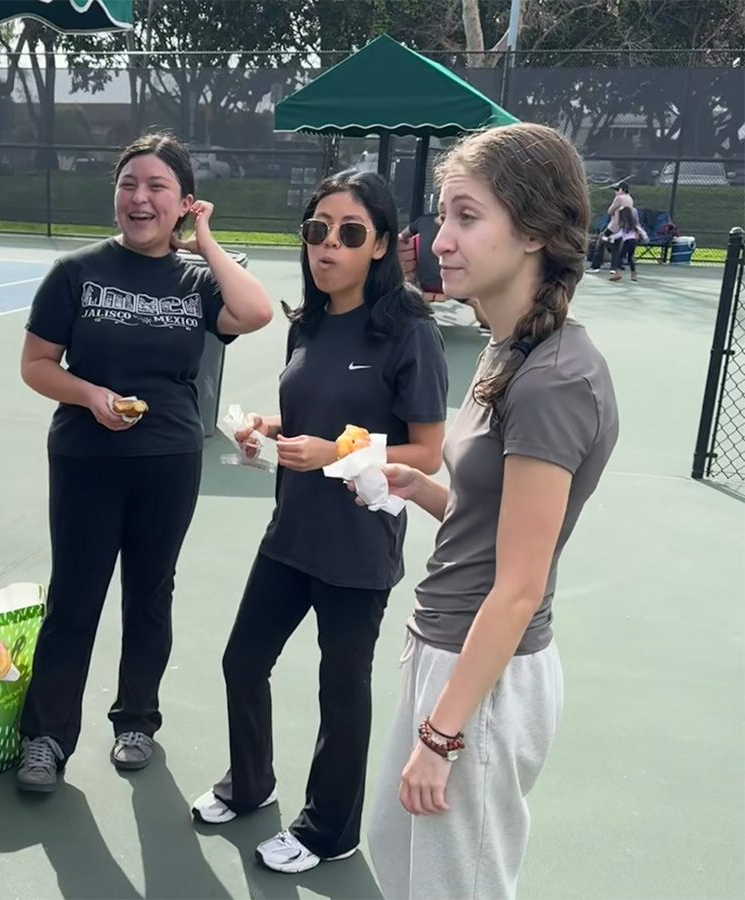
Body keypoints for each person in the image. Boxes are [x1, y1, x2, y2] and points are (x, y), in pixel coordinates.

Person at [365, 122, 619, 899]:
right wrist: (423, 490)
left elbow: (518, 587)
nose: (438, 239)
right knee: (396, 856)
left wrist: (442, 736)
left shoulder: (553, 380)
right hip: (445, 650)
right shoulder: (508, 350)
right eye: (443, 216)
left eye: (466, 217)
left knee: (457, 885)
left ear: (536, 230)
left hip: (486, 676)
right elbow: (492, 517)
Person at [188, 171, 448, 873]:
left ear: (382, 245)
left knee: (341, 689)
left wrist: (335, 451)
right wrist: (269, 432)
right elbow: (311, 417)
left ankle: (330, 831)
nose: (328, 244)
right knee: (243, 660)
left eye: (350, 233)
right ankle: (250, 785)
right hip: (292, 531)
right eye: (317, 230)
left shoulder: (409, 330)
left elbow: (427, 450)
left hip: (358, 544)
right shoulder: (307, 321)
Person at [16, 132, 273, 792]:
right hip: (84, 456)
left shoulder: (197, 282)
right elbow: (37, 366)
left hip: (169, 458)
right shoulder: (75, 274)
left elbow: (257, 310)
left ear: (182, 202)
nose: (139, 197)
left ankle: (137, 721)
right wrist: (90, 394)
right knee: (74, 597)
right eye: (129, 184)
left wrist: (205, 241)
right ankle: (46, 738)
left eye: (157, 187)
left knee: (150, 594)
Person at [608, 204, 646, 282]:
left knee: (620, 257)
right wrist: (645, 237)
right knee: (630, 258)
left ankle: (617, 273)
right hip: (634, 241)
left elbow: (621, 234)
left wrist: (612, 237)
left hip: (627, 241)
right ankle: (633, 274)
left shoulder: (624, 224)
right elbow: (640, 230)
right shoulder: (633, 223)